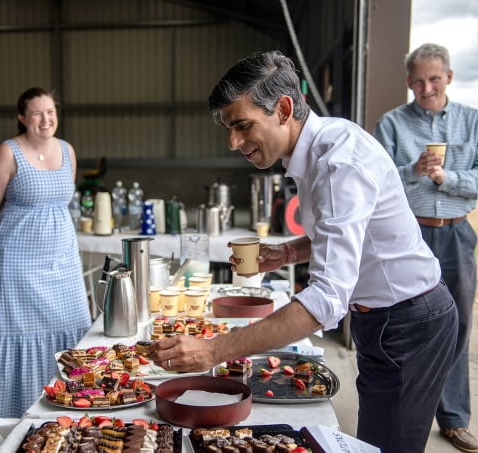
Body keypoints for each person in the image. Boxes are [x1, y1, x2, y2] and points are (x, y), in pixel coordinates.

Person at [148, 51, 459, 453]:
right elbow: (346, 235)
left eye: (242, 126)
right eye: (229, 129)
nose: (233, 142)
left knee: (389, 446)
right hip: (383, 320)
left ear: (283, 108)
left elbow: (327, 300)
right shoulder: (316, 148)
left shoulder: (338, 162)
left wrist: (213, 350)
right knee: (377, 439)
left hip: (410, 322)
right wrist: (288, 253)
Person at [373, 42, 478, 453]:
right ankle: (407, 414)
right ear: (408, 82)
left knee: (458, 326)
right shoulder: (392, 124)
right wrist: (414, 171)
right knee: (404, 325)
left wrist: (444, 178)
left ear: (449, 77)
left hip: (455, 233)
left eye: (434, 79)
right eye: (418, 81)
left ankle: (453, 419)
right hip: (408, 235)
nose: (426, 87)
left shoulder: (472, 122)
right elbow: (379, 184)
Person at [0, 87, 92, 418]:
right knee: (18, 335)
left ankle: (72, 408)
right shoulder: (8, 153)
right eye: (37, 113)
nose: (45, 119)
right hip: (16, 264)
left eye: (50, 112)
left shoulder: (67, 150)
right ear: (22, 118)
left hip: (63, 261)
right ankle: (16, 414)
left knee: (76, 327)